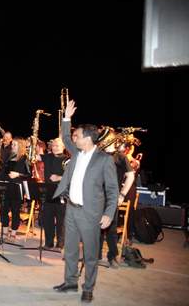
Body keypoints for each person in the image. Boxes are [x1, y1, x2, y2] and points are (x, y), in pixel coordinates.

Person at [52, 100, 119, 303]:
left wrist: (108, 214)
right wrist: (66, 117)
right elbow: (64, 135)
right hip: (71, 210)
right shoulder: (77, 152)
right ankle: (70, 282)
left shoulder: (104, 160)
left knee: (90, 254)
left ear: (88, 139)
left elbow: (112, 189)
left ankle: (88, 287)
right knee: (70, 250)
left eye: (77, 136)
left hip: (91, 214)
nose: (73, 138)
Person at [97, 129, 135, 268]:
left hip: (112, 197)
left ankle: (112, 256)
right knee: (97, 227)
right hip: (97, 196)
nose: (101, 141)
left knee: (111, 229)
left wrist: (122, 194)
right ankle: (96, 256)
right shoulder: (98, 155)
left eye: (103, 138)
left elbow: (130, 176)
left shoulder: (120, 157)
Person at [39, 137, 68, 250]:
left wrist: (59, 177)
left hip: (61, 194)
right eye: (54, 145)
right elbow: (33, 157)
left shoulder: (67, 159)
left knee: (61, 220)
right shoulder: (47, 157)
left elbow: (72, 176)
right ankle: (48, 243)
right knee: (48, 219)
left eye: (58, 146)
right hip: (48, 193)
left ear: (64, 147)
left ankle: (60, 244)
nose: (55, 147)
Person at [0, 137, 30, 241]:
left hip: (17, 187)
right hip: (6, 186)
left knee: (15, 211)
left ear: (20, 146)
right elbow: (4, 171)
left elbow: (28, 174)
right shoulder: (8, 157)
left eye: (15, 145)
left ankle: (13, 233)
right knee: (3, 211)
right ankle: (4, 232)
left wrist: (18, 174)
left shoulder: (24, 158)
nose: (12, 146)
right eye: (12, 144)